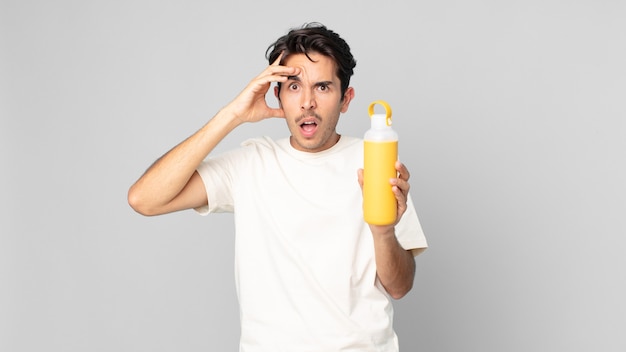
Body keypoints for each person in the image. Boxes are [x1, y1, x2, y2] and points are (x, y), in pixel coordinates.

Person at [128, 22, 427, 352]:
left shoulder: (377, 160)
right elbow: (144, 198)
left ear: (346, 99)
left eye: (323, 87)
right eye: (294, 87)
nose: (307, 102)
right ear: (278, 94)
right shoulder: (252, 164)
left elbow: (399, 287)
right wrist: (232, 115)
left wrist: (383, 233)